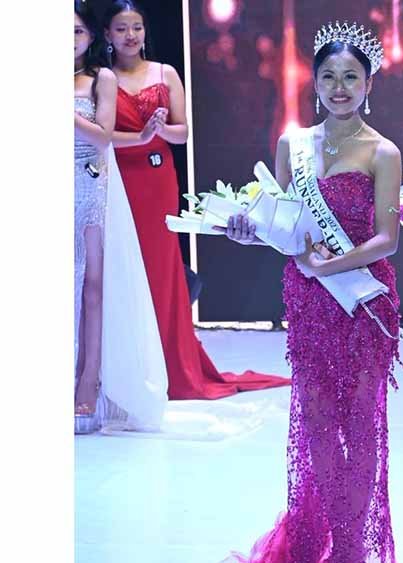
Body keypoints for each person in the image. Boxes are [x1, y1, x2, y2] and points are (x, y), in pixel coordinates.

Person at [224, 21, 403, 563]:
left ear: (368, 84)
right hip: (309, 301)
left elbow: (388, 239)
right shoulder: (294, 144)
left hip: (365, 301)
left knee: (362, 423)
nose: (340, 87)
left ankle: (349, 548)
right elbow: (282, 225)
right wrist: (247, 230)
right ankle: (330, 538)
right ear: (315, 83)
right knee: (318, 422)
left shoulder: (383, 152)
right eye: (329, 76)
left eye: (351, 77)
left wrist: (333, 265)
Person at [106, 0, 288, 399]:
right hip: (118, 180)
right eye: (121, 28)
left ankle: (171, 365)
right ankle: (130, 365)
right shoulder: (104, 78)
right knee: (122, 265)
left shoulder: (165, 73)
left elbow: (182, 132)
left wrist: (157, 131)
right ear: (108, 34)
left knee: (161, 265)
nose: (130, 36)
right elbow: (102, 136)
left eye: (136, 27)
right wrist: (137, 137)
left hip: (156, 178)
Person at [74, 0, 167, 434]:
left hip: (88, 185)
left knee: (92, 287)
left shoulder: (101, 78)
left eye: (76, 32)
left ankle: (88, 384)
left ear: (92, 36)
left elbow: (104, 137)